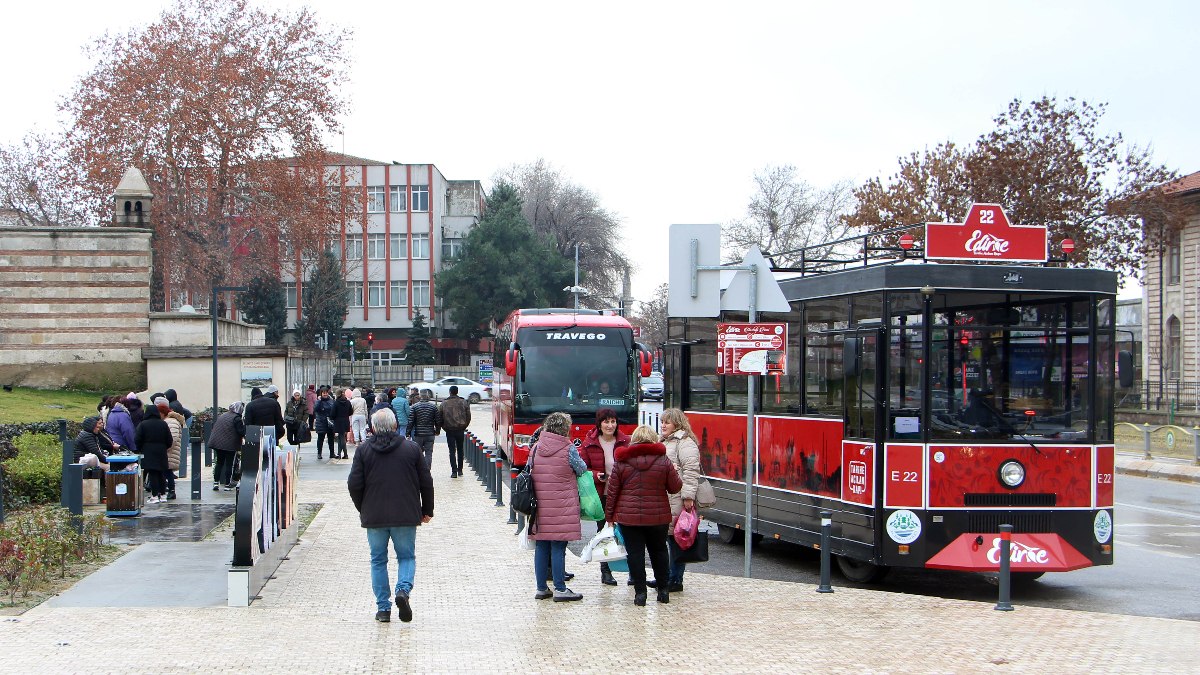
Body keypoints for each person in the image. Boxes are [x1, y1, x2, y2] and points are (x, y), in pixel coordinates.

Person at [348, 408, 434, 624]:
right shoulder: (412, 449)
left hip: (374, 515)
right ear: (395, 425)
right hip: (405, 514)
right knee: (406, 557)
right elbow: (426, 481)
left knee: (378, 560)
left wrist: (363, 507)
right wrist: (427, 510)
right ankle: (403, 591)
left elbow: (354, 484)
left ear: (373, 427)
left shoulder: (364, 450)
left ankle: (383, 609)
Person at [606, 424, 682, 606]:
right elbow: (675, 487)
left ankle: (640, 594)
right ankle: (663, 591)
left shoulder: (622, 461)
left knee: (635, 554)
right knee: (660, 552)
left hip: (629, 518)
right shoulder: (664, 461)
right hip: (658, 518)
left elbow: (613, 492)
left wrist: (610, 517)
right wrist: (676, 473)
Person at [530, 412, 587, 603]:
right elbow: (582, 469)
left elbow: (529, 469)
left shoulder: (536, 447)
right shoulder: (569, 449)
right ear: (565, 429)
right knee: (558, 546)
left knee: (542, 545)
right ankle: (560, 589)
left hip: (540, 506)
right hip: (562, 506)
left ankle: (541, 588)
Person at [579, 407, 630, 586]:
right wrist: (595, 475)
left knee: (628, 531)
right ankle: (606, 571)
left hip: (623, 494)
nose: (610, 425)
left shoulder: (625, 442)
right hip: (601, 495)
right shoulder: (589, 443)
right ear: (599, 424)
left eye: (613, 421)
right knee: (604, 533)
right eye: (606, 422)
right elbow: (582, 469)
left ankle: (633, 570)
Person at [660, 407, 702, 593]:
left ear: (676, 423)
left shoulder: (684, 442)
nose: (663, 425)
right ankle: (668, 576)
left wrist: (688, 497)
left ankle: (675, 579)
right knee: (670, 538)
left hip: (678, 497)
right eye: (662, 422)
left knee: (678, 539)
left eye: (666, 422)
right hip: (668, 497)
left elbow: (691, 471)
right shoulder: (667, 441)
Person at [135, 401, 174, 504]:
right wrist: (164, 447)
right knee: (161, 473)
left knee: (152, 473)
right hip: (161, 451)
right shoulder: (163, 424)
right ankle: (163, 495)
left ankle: (154, 495)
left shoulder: (143, 424)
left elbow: (137, 439)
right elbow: (169, 440)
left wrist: (140, 448)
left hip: (148, 451)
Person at [209, 401, 246, 490]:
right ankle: (227, 484)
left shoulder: (223, 415)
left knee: (219, 463)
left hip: (218, 443)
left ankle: (216, 483)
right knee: (230, 464)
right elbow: (241, 432)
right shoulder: (237, 418)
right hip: (230, 445)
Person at [156, 396, 186, 500]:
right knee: (166, 472)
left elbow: (172, 438)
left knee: (167, 472)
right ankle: (167, 491)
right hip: (169, 451)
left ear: (162, 413)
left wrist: (164, 448)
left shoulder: (171, 422)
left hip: (170, 452)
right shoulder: (169, 421)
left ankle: (171, 491)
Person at [440, 385, 471, 478]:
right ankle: (460, 470)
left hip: (449, 430)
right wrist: (464, 425)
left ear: (450, 392)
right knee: (460, 449)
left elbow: (440, 417)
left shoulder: (444, 403)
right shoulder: (463, 402)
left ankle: (454, 471)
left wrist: (443, 427)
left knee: (452, 450)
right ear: (457, 392)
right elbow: (468, 416)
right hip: (460, 429)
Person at [409, 389, 442, 469]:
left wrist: (408, 433)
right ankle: (427, 470)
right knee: (428, 453)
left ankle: (419, 470)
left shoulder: (414, 407)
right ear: (427, 395)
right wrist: (437, 431)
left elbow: (411, 421)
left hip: (418, 434)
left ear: (420, 396)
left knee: (418, 453)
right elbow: (438, 420)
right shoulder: (433, 407)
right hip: (430, 433)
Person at [313, 387, 336, 460]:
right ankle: (319, 453)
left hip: (330, 422)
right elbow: (316, 409)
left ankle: (332, 453)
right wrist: (320, 401)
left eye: (326, 392)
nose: (325, 394)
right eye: (323, 393)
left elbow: (333, 409)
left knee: (331, 439)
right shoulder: (318, 401)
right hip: (321, 422)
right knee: (320, 439)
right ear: (321, 393)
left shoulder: (331, 400)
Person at [331, 387, 353, 459]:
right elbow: (351, 412)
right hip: (346, 420)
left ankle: (344, 454)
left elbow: (332, 414)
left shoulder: (336, 403)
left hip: (338, 421)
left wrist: (333, 418)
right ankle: (340, 454)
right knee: (341, 437)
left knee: (341, 437)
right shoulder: (348, 402)